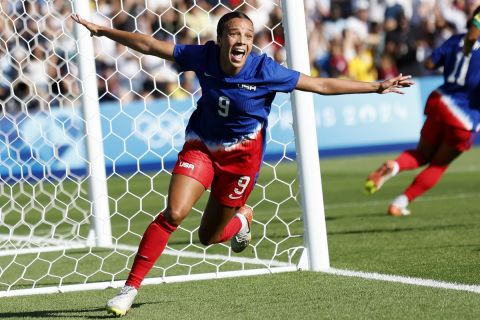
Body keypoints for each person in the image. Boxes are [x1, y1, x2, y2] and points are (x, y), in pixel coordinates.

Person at [72, 11, 414, 316]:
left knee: (209, 237)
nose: (243, 41)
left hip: (241, 162)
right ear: (221, 39)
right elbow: (148, 44)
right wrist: (103, 32)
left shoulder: (265, 69)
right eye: (235, 34)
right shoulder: (203, 56)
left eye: (249, 36)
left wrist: (376, 86)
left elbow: (321, 84)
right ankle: (130, 288)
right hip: (202, 146)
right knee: (175, 213)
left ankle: (242, 219)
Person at [365, 7, 480, 216]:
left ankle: (395, 165)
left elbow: (429, 63)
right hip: (465, 116)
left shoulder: (455, 40)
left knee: (423, 153)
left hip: (441, 100)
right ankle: (399, 203)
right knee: (438, 165)